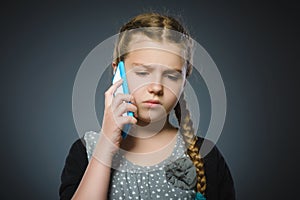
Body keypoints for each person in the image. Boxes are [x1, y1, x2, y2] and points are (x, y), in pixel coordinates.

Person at [59, 12, 235, 200]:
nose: (156, 87)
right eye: (142, 72)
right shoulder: (87, 150)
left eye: (171, 76)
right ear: (117, 72)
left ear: (184, 81)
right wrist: (105, 146)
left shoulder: (204, 155)